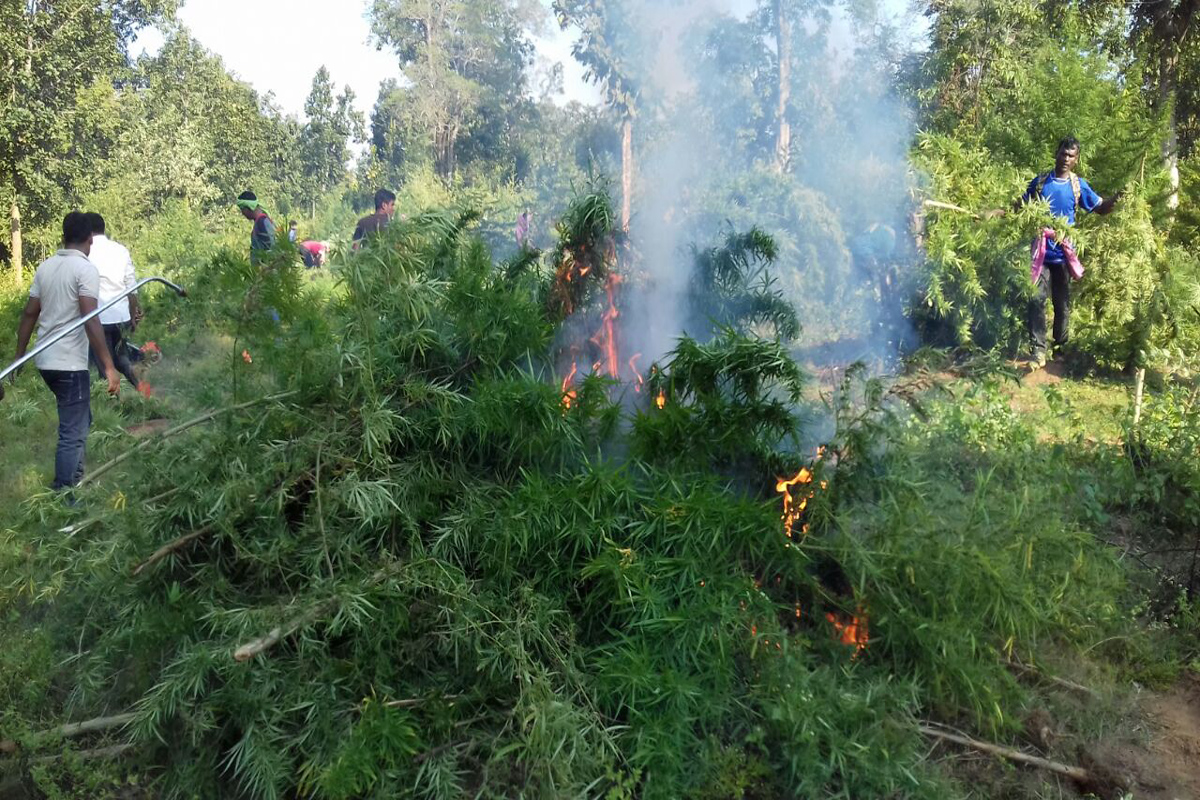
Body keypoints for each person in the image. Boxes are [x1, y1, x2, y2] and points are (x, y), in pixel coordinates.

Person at [12, 212, 120, 492]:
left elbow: (28, 314)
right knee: (73, 432)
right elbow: (90, 318)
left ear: (63, 236)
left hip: (46, 361)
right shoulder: (85, 270)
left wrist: (19, 356)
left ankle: (75, 479)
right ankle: (64, 493)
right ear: (89, 240)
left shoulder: (46, 267)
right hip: (69, 366)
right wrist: (109, 367)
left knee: (81, 420)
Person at [1012, 137, 1122, 366]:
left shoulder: (1078, 185)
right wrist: (999, 211)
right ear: (1056, 153)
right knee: (1036, 299)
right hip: (1041, 253)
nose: (1066, 159)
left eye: (1071, 156)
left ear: (1076, 160)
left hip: (1063, 254)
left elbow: (1100, 208)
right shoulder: (1041, 182)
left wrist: (1118, 199)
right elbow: (1021, 206)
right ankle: (1038, 350)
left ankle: (1060, 348)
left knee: (1062, 303)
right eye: (1063, 153)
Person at [84, 213, 141, 390]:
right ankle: (141, 386)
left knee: (103, 364)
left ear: (87, 230)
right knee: (121, 357)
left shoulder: (85, 252)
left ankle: (114, 405)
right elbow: (131, 287)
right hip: (121, 317)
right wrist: (133, 315)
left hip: (97, 320)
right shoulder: (120, 250)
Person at [236, 191, 277, 264]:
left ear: (248, 208)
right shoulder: (261, 221)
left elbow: (271, 249)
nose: (242, 213)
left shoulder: (262, 222)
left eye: (242, 210)